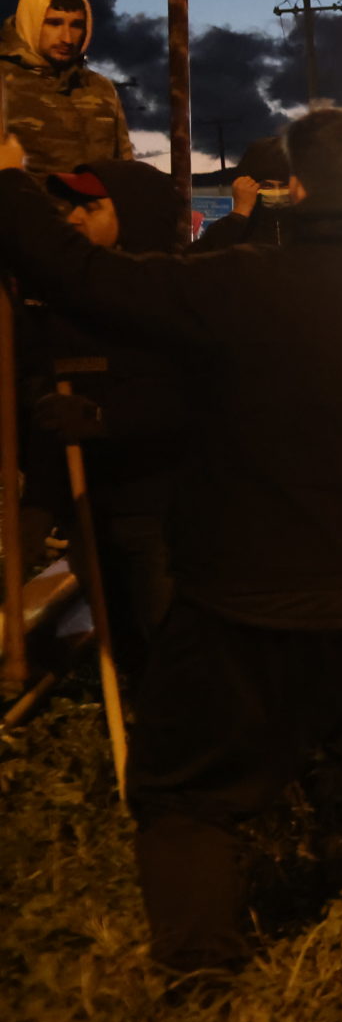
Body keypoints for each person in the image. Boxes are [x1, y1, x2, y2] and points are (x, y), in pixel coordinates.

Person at [0, 107, 342, 1022]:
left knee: (188, 796)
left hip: (241, 605)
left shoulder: (238, 285)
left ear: (298, 190)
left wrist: (9, 183)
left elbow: (80, 276)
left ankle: (201, 1000)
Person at [18, 161, 189, 672]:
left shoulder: (171, 298)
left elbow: (187, 397)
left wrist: (103, 416)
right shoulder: (69, 308)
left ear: (134, 215)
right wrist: (41, 506)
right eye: (69, 206)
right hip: (91, 510)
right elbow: (54, 408)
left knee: (174, 644)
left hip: (162, 514)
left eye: (90, 207)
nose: (72, 218)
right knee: (124, 645)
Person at [4, 0, 132, 175]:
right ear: (30, 20)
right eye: (54, 23)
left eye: (76, 25)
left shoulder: (100, 88)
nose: (67, 38)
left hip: (104, 205)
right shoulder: (5, 83)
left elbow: (125, 166)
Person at [192, 136, 290, 252]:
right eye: (267, 185)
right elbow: (199, 259)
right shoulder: (235, 229)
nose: (277, 194)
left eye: (284, 185)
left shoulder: (309, 228)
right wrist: (240, 212)